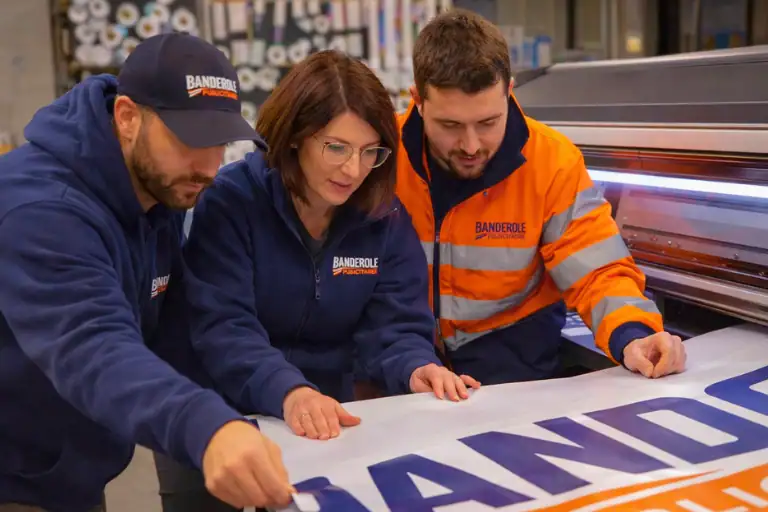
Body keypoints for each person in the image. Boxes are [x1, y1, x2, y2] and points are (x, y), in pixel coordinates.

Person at [152, 49, 481, 512]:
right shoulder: (231, 202)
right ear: (294, 138)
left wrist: (415, 366)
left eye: (370, 152)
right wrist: (288, 389)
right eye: (337, 148)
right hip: (214, 409)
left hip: (319, 419)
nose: (353, 170)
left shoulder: (382, 217)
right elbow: (224, 328)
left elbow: (396, 324)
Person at [0, 33, 294, 511]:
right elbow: (94, 345)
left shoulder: (160, 188)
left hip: (67, 471)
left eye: (220, 142)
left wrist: (275, 394)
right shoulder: (40, 211)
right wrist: (206, 427)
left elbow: (176, 335)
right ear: (128, 117)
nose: (209, 167)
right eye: (189, 140)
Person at [394, 9, 687, 385]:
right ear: (417, 99)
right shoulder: (380, 157)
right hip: (406, 365)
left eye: (487, 123)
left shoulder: (552, 162)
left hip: (514, 371)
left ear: (509, 91)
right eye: (450, 126)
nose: (470, 146)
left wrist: (635, 334)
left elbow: (598, 269)